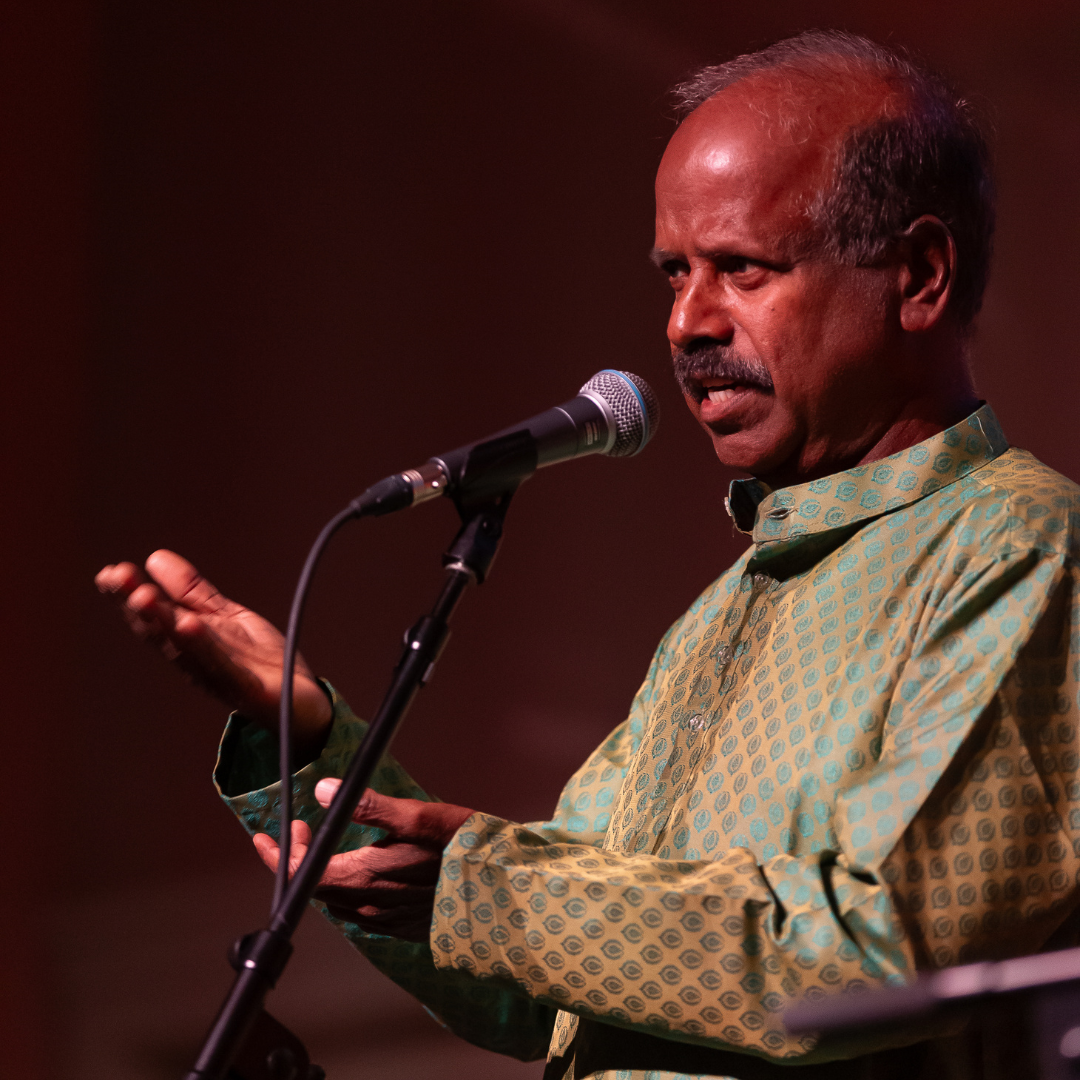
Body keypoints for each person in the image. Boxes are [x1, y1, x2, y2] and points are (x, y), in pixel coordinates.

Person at [97, 30, 1080, 1080]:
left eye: (742, 269)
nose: (687, 321)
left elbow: (878, 953)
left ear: (919, 276)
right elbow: (539, 990)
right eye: (675, 274)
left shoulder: (1018, 547)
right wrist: (305, 738)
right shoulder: (721, 614)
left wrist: (485, 890)